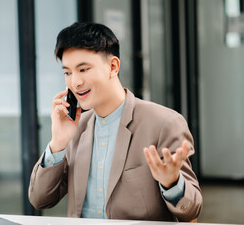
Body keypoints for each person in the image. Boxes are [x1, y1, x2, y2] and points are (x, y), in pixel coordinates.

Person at [28, 22, 202, 222]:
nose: (75, 82)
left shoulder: (164, 123)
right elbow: (39, 199)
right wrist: (58, 143)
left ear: (113, 67)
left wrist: (172, 182)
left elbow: (192, 210)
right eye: (67, 72)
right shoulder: (76, 127)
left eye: (83, 69)